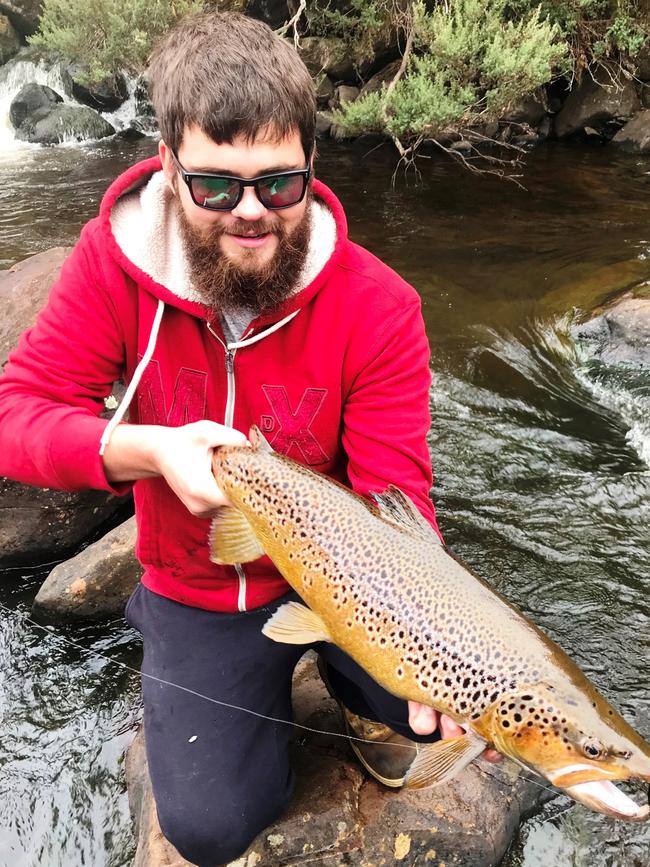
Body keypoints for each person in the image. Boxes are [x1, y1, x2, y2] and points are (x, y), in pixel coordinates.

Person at [0, 11, 498, 867]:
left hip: (350, 583)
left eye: (278, 183)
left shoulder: (380, 306)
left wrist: (441, 642)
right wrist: (148, 451)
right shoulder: (111, 266)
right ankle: (156, 622)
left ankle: (355, 688)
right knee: (212, 824)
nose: (252, 213)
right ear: (168, 166)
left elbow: (397, 496)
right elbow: (18, 412)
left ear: (311, 165)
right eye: (216, 187)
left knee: (449, 697)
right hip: (196, 581)